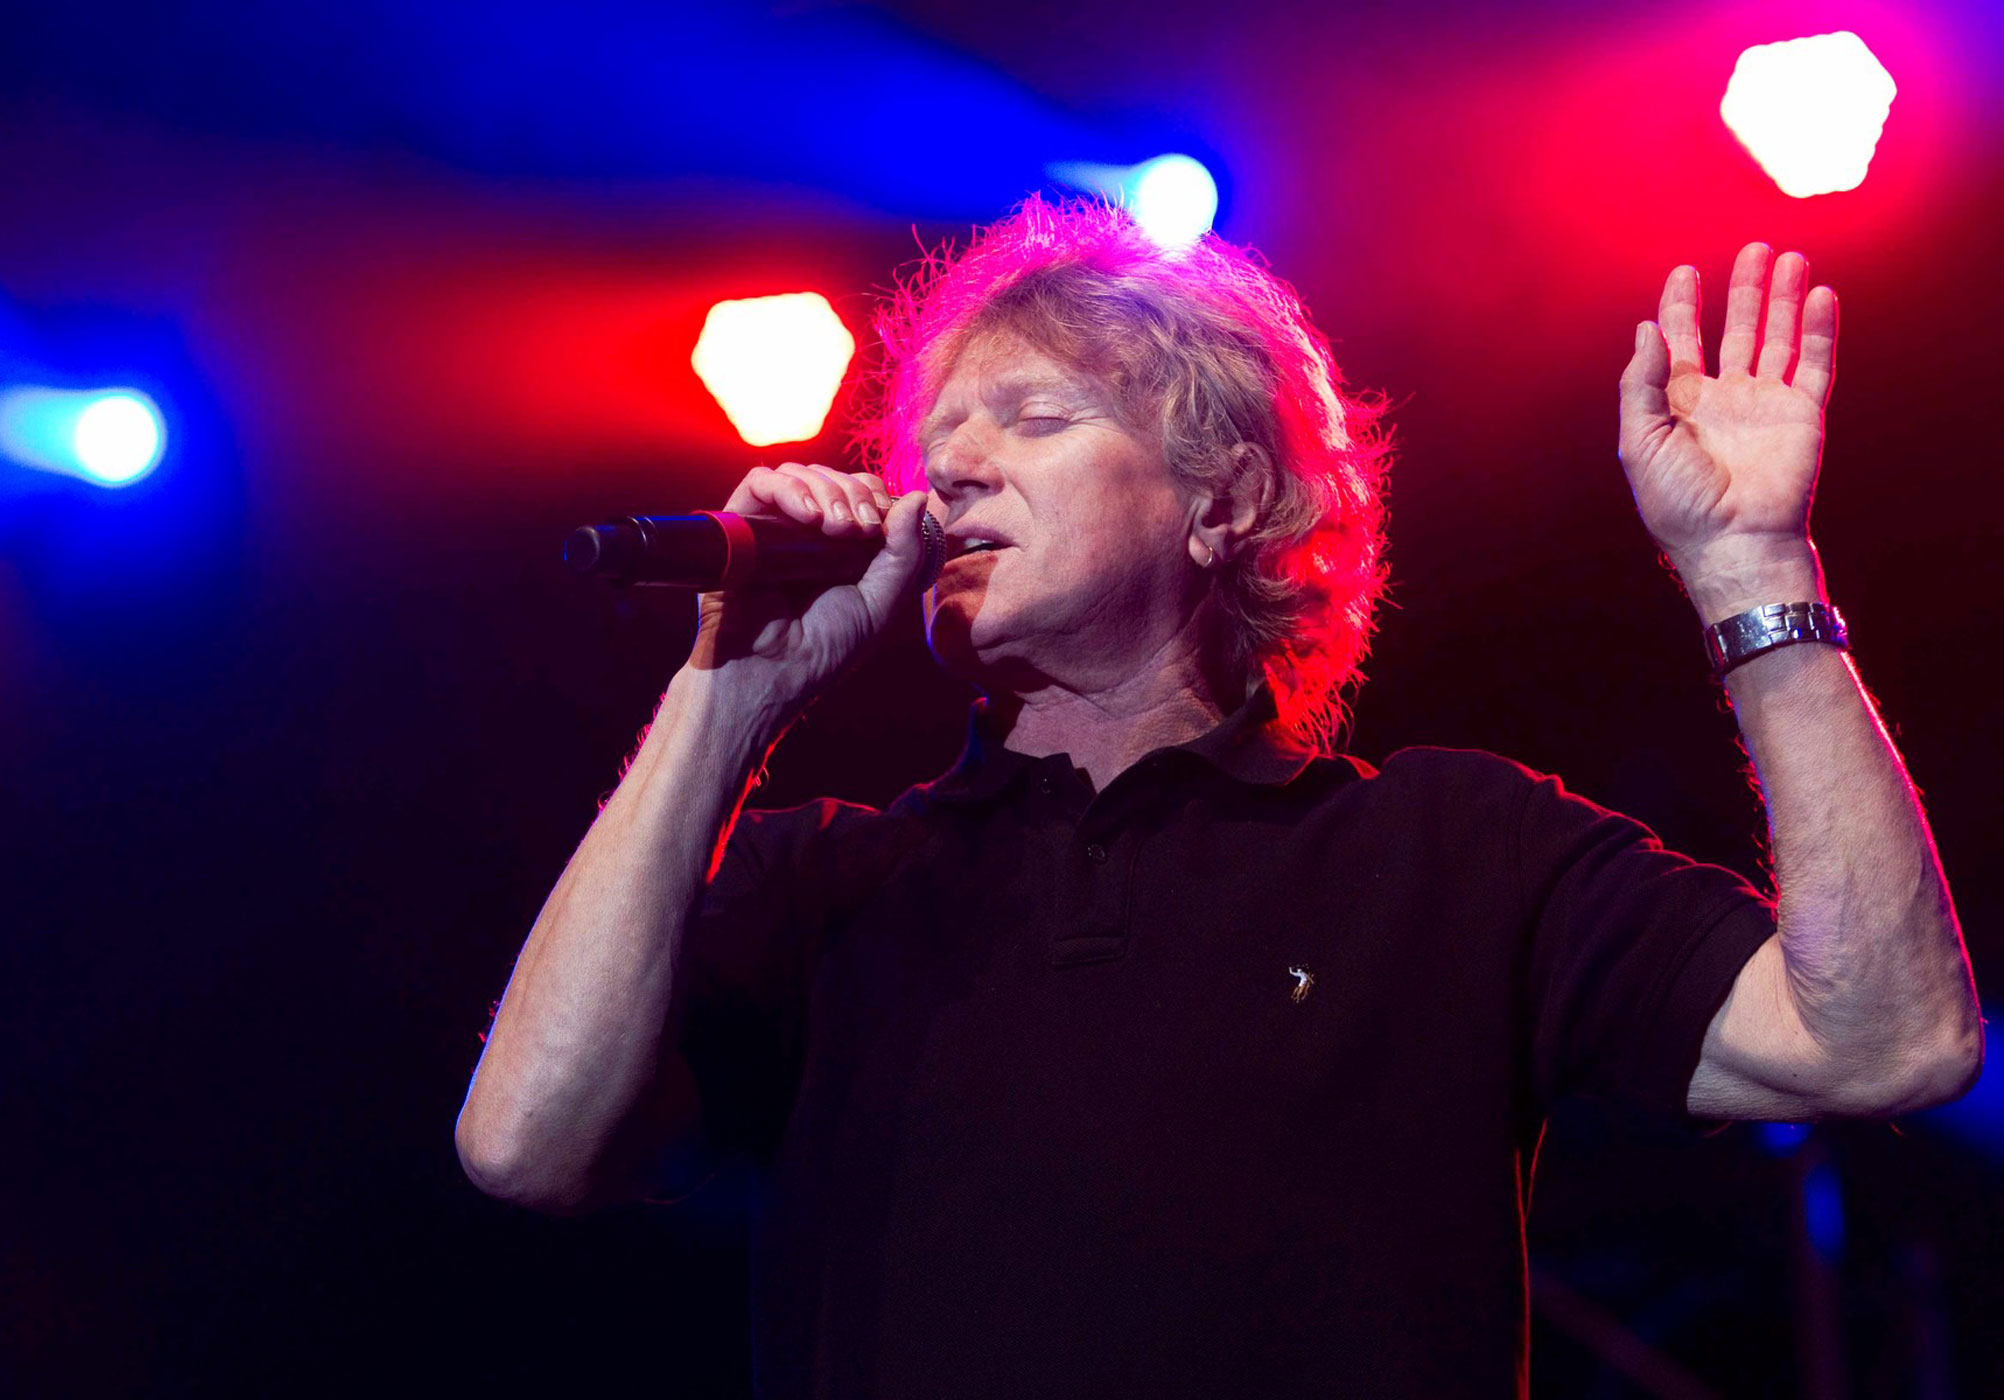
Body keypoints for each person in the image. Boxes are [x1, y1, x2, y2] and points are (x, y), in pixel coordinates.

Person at [454, 199, 1981, 1397]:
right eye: (939, 440)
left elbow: (1887, 1040)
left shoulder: (1455, 851)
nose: (952, 471)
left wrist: (1750, 571)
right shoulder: (828, 885)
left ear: (1226, 501)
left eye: (1036, 419)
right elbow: (526, 1142)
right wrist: (727, 697)